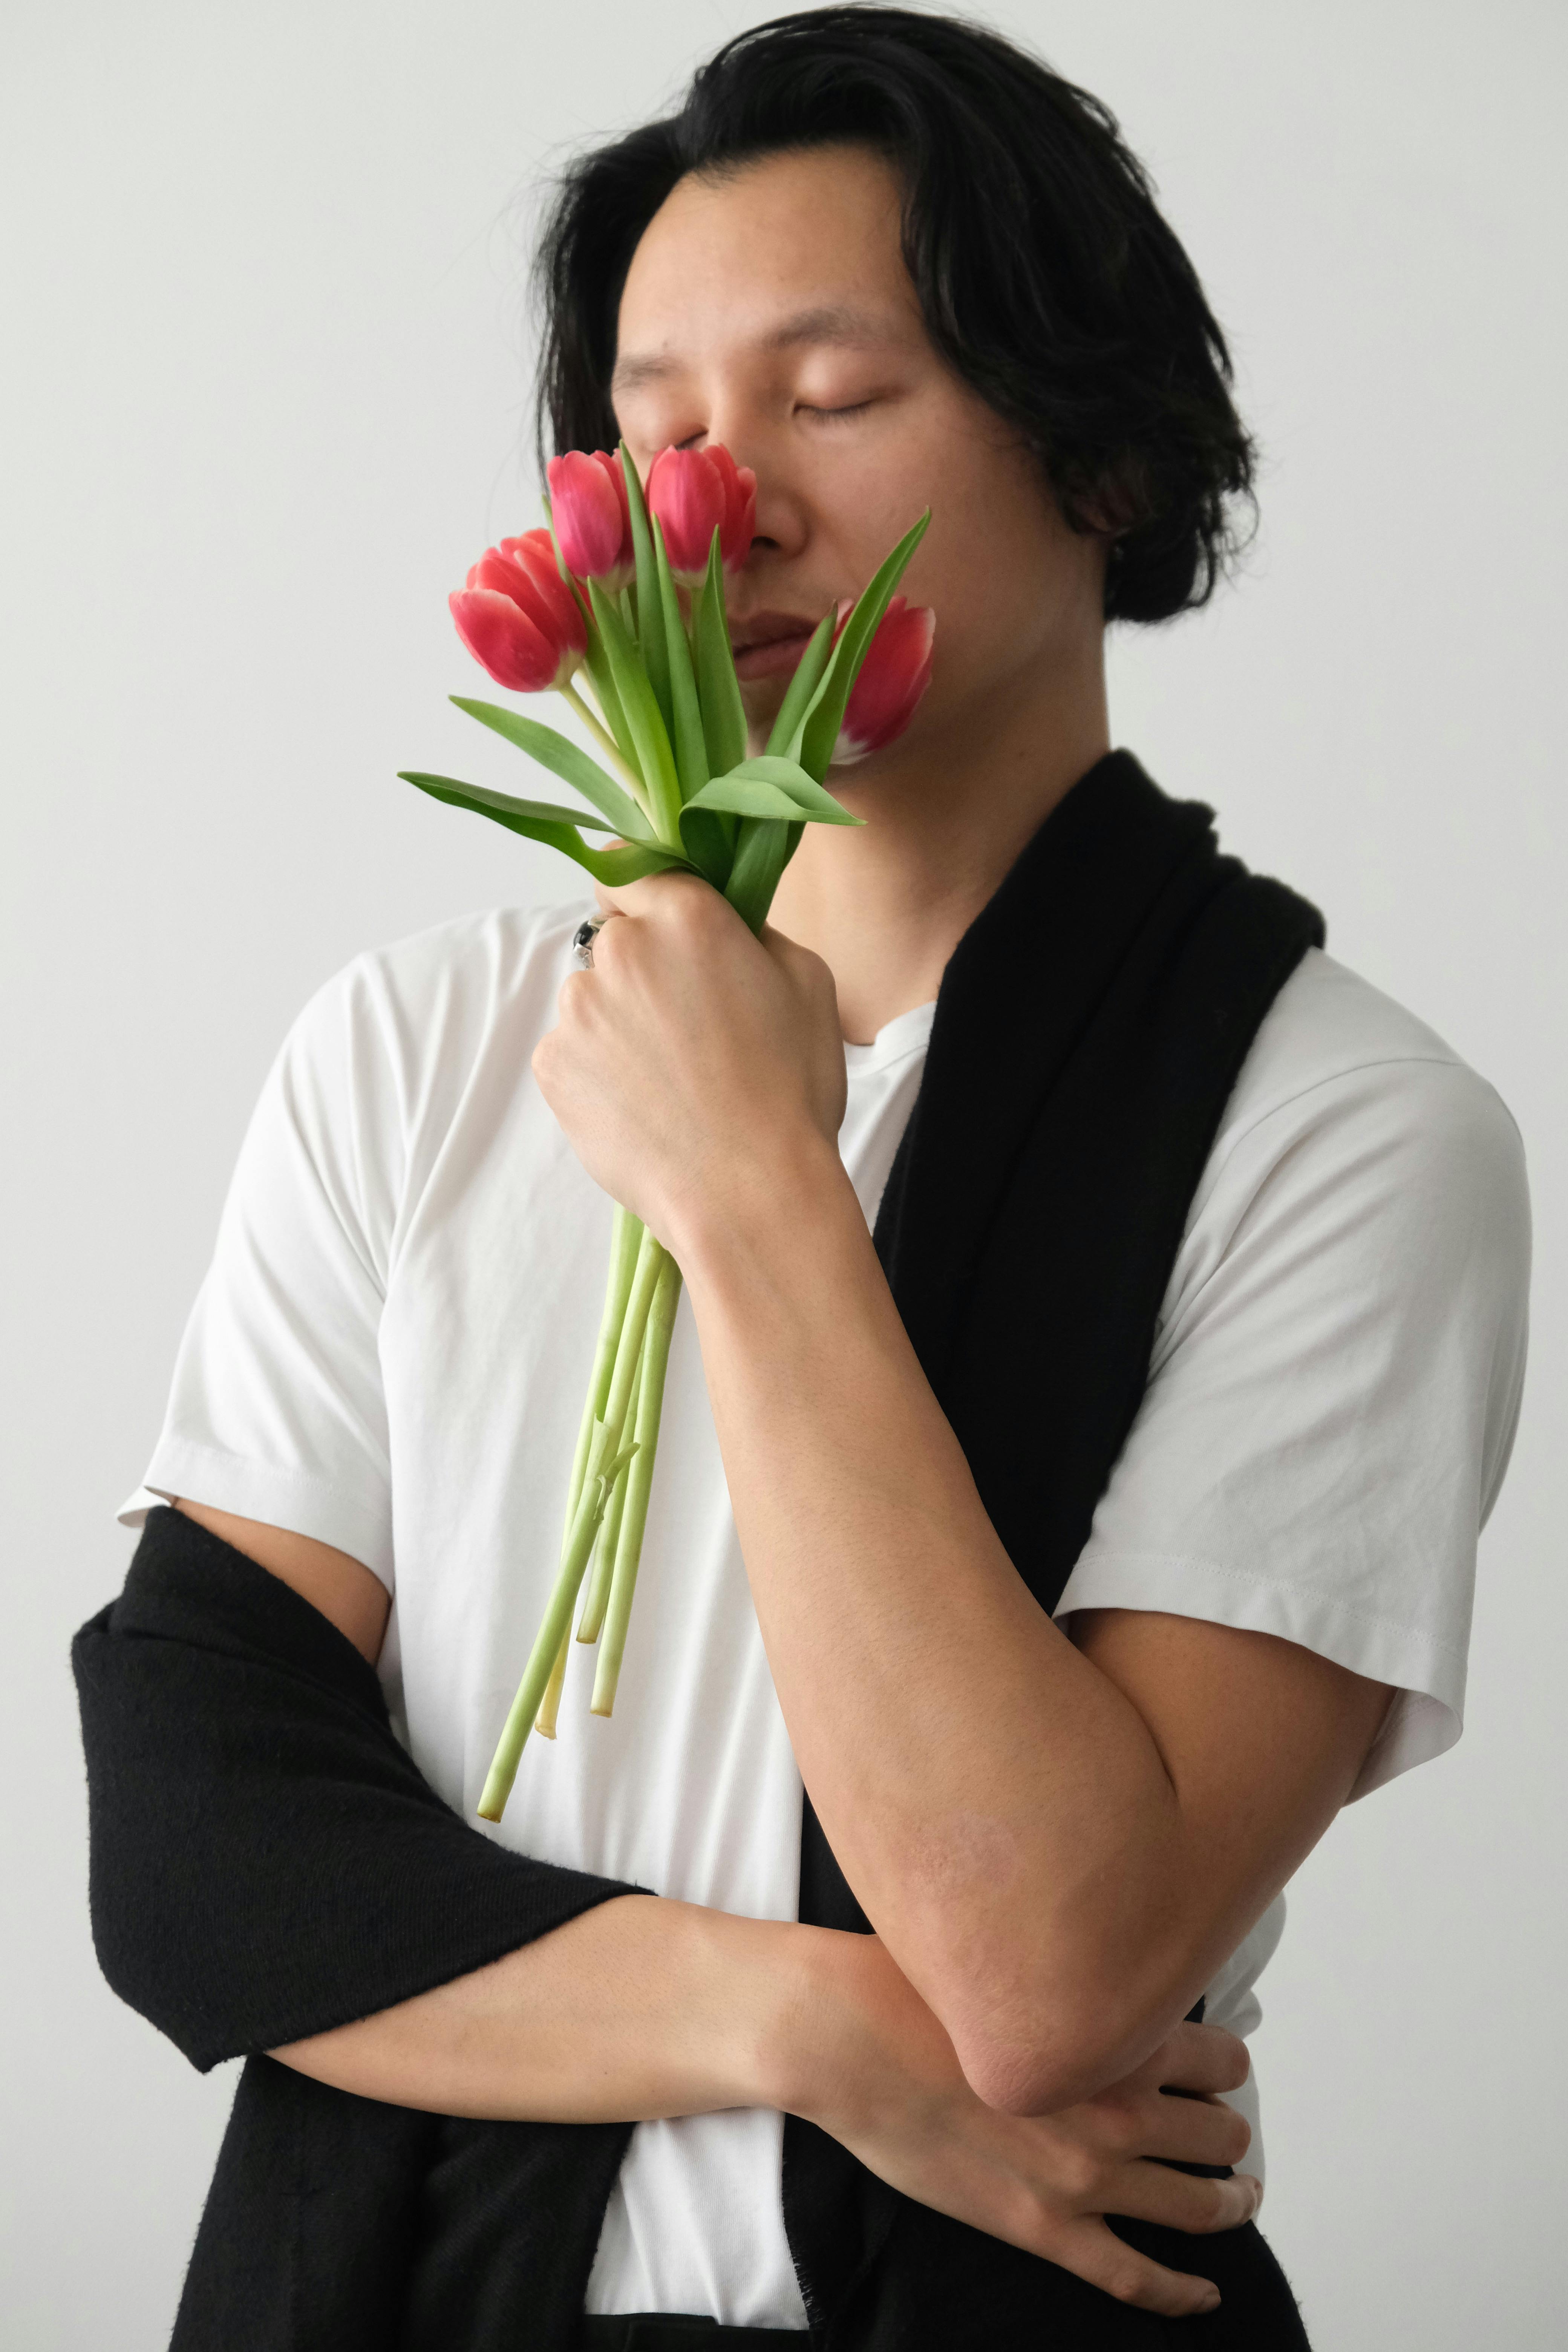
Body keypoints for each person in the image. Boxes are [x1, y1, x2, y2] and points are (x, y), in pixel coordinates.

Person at [78, 11, 1529, 2349]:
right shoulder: (422, 1048)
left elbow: (1049, 1962)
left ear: (1109, 455)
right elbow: (199, 1859)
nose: (711, 500)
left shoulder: (1349, 1134)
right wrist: (824, 2034)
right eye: (651, 429)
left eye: (832, 400)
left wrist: (759, 1190)